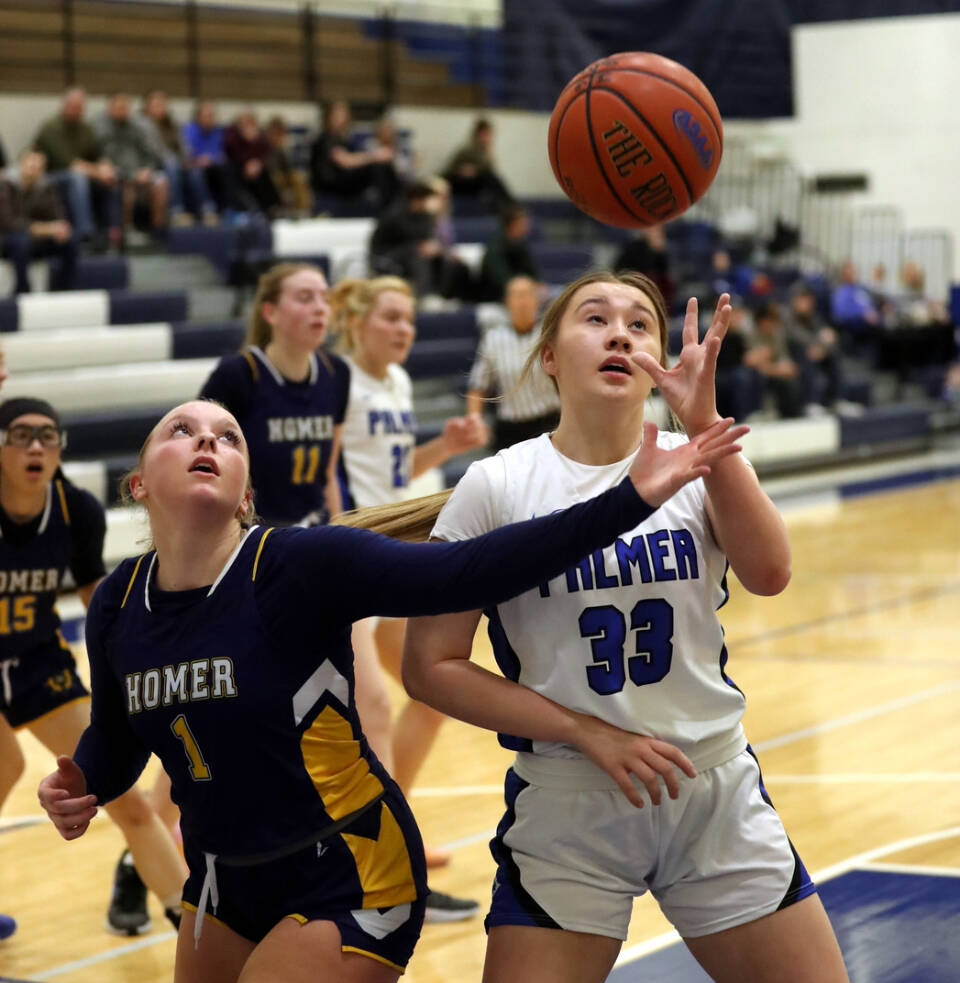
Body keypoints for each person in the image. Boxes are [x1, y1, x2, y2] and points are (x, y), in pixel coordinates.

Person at [36, 396, 743, 982]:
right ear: (138, 485)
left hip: (349, 864)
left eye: (228, 436)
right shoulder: (118, 602)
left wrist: (628, 500)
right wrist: (85, 780)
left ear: (245, 495)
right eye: (181, 431)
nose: (207, 441)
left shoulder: (297, 565)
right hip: (221, 879)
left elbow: (464, 573)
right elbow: (121, 732)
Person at [403, 272, 849, 983]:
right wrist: (584, 730)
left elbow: (771, 572)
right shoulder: (495, 485)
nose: (620, 332)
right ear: (548, 355)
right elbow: (429, 666)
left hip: (709, 789)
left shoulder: (702, 464)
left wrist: (706, 426)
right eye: (595, 318)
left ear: (660, 356)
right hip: (568, 801)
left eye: (641, 323)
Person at [0, 397, 188, 937]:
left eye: (47, 436)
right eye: (20, 435)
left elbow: (97, 600)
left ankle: (190, 922)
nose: (36, 446)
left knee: (120, 796)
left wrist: (145, 657)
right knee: (4, 765)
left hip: (39, 667)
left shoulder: (75, 510)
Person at [331, 276, 487, 916]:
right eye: (392, 318)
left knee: (435, 688)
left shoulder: (394, 384)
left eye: (410, 321)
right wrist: (337, 540)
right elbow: (328, 472)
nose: (404, 330)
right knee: (370, 710)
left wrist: (444, 449)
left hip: (389, 553)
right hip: (347, 558)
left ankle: (398, 821)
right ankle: (381, 864)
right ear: (359, 323)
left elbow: (393, 472)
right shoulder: (337, 383)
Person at [200, 263, 348, 527]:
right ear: (270, 312)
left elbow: (328, 473)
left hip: (315, 530)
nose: (320, 308)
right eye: (305, 298)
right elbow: (202, 467)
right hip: (252, 536)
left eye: (325, 299)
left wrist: (340, 531)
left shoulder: (337, 372)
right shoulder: (237, 375)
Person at [466, 275, 560, 450]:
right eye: (516, 295)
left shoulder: (549, 335)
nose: (522, 301)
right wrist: (475, 418)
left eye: (526, 295)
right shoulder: (493, 339)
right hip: (511, 429)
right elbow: (478, 385)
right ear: (507, 302)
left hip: (551, 423)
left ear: (536, 300)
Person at [32, 87, 118, 245]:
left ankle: (113, 234)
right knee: (77, 178)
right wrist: (98, 173)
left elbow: (97, 155)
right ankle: (86, 233)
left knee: (110, 179)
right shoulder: (51, 127)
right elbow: (69, 163)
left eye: (80, 107)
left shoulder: (86, 129)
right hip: (51, 177)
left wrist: (106, 168)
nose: (77, 111)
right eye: (73, 106)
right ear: (64, 105)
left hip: (82, 175)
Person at [370, 180, 472, 300]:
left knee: (446, 260)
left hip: (414, 252)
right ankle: (424, 297)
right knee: (419, 257)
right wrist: (419, 247)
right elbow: (388, 245)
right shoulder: (394, 216)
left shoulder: (425, 216)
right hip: (389, 256)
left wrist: (439, 249)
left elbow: (428, 239)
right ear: (416, 200)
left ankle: (445, 296)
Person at [0, 150, 78, 294]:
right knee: (20, 241)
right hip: (9, 241)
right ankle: (22, 289)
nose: (33, 166)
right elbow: (8, 222)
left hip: (37, 241)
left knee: (70, 240)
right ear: (20, 164)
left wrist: (60, 228)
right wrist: (42, 228)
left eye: (38, 164)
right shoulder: (5, 185)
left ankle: (65, 288)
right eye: (30, 162)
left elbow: (58, 215)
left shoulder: (46, 186)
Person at [96, 91, 170, 238]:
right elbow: (104, 158)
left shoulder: (138, 127)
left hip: (141, 171)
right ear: (110, 108)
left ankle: (158, 231)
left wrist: (148, 169)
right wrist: (131, 174)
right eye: (119, 107)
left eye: (125, 107)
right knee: (127, 186)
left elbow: (149, 152)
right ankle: (128, 232)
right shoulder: (101, 129)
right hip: (120, 174)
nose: (122, 111)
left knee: (161, 182)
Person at [309, 99, 398, 209]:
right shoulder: (325, 139)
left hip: (344, 182)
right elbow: (345, 161)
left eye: (344, 115)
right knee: (375, 166)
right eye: (338, 115)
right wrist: (375, 155)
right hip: (332, 186)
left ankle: (395, 204)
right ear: (328, 117)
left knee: (382, 166)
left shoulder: (343, 139)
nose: (342, 119)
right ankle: (389, 207)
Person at [744, 302, 804, 419]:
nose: (771, 325)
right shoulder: (750, 334)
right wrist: (770, 366)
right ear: (760, 322)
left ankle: (793, 415)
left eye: (773, 321)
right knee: (755, 377)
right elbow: (751, 361)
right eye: (768, 321)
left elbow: (785, 362)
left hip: (773, 371)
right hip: (754, 373)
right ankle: (757, 412)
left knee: (791, 379)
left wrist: (774, 368)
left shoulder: (777, 335)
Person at [442, 118, 512, 209]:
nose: (486, 138)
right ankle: (509, 204)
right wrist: (463, 171)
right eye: (484, 134)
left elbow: (488, 171)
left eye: (488, 135)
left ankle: (508, 205)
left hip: (476, 185)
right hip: (461, 183)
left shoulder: (486, 152)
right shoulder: (467, 150)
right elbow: (451, 169)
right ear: (477, 134)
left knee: (492, 179)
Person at [477, 204, 539, 302]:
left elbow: (532, 272)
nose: (527, 226)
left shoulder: (520, 245)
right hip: (495, 296)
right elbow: (503, 280)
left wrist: (537, 283)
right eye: (522, 223)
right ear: (512, 224)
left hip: (519, 290)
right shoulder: (495, 247)